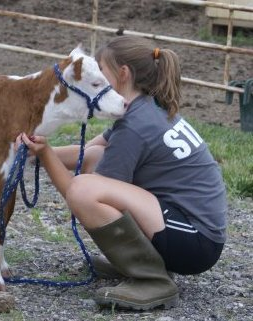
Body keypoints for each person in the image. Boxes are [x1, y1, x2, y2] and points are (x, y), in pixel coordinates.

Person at [16, 35, 227, 311]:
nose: (96, 78)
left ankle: (152, 278)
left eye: (101, 72)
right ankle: (139, 260)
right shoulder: (142, 107)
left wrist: (45, 154)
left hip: (196, 241)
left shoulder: (135, 126)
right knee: (95, 159)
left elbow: (78, 193)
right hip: (184, 226)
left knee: (84, 189)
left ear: (123, 74)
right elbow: (87, 153)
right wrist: (34, 150)